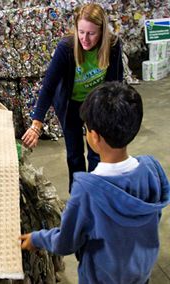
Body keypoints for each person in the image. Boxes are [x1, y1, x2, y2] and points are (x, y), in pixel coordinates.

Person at [19, 81, 170, 284]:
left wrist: (38, 239)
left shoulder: (86, 191)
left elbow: (67, 241)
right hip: (140, 272)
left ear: (95, 137)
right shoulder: (151, 169)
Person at [22, 3, 124, 190]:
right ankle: (78, 194)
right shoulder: (66, 48)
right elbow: (48, 87)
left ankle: (93, 191)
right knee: (75, 153)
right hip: (71, 105)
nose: (85, 38)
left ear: (102, 32)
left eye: (91, 33)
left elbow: (117, 84)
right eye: (81, 32)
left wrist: (116, 115)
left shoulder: (113, 46)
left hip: (97, 105)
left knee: (96, 151)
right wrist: (37, 123)